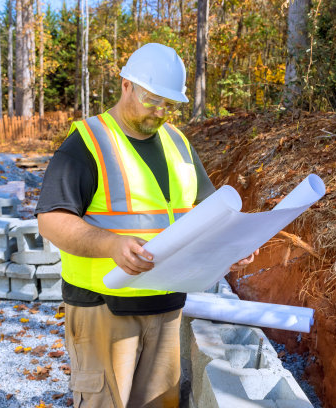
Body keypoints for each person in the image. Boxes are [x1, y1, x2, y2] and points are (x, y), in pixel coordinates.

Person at [36, 43, 257, 408]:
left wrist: (233, 245)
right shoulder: (87, 143)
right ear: (126, 85)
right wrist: (110, 245)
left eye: (167, 104)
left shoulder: (178, 142)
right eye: (152, 100)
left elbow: (210, 210)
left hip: (167, 307)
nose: (159, 111)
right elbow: (52, 221)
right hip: (103, 309)